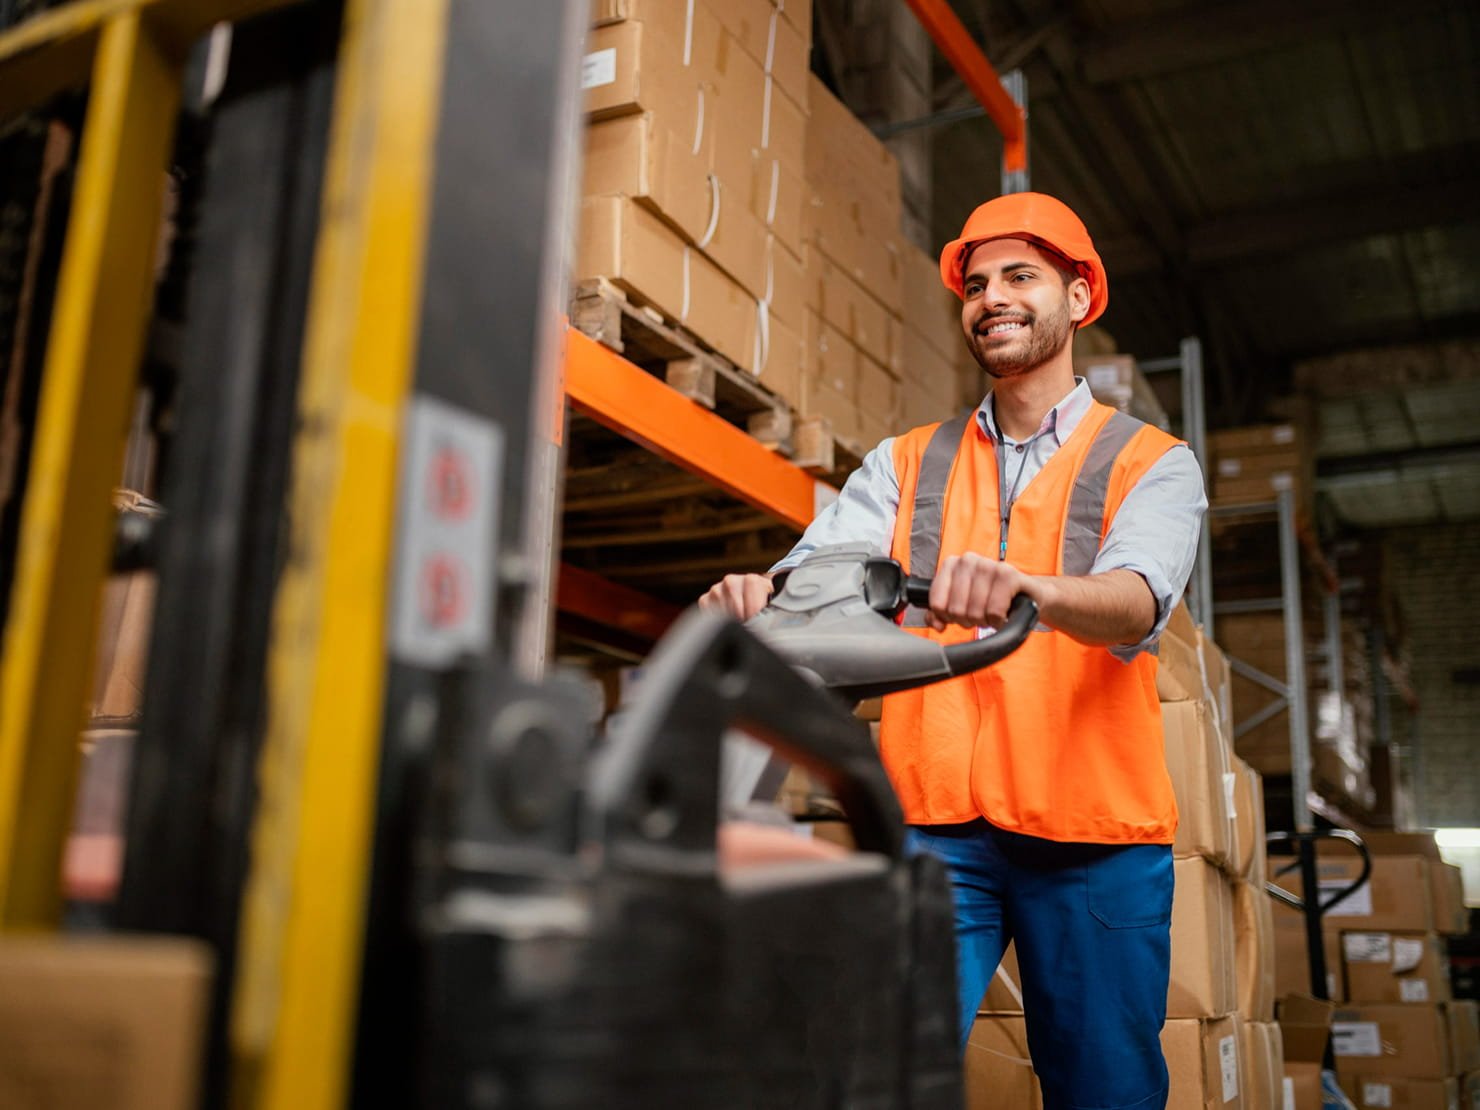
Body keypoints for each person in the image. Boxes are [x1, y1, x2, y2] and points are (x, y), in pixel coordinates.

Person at [700, 192, 1207, 1110]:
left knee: (1107, 1092)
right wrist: (754, 599)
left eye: (1021, 276)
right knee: (872, 1077)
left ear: (1080, 298)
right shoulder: (906, 462)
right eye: (976, 285)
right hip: (932, 829)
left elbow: (1137, 603)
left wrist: (1036, 592)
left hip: (1092, 839)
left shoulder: (1152, 461)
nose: (992, 298)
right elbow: (814, 581)